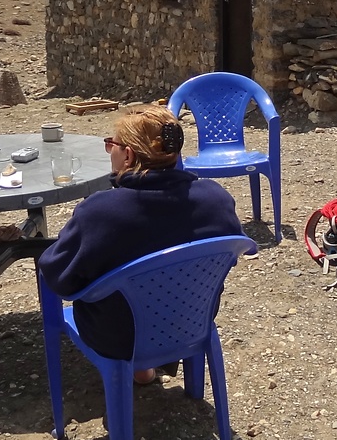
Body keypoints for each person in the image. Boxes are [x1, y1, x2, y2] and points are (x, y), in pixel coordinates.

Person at [37, 106, 244, 383]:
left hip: (122, 337)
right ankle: (150, 369)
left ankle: (136, 367)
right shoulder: (216, 199)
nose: (109, 150)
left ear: (128, 155)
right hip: (191, 319)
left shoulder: (100, 212)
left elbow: (60, 278)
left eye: (111, 144)